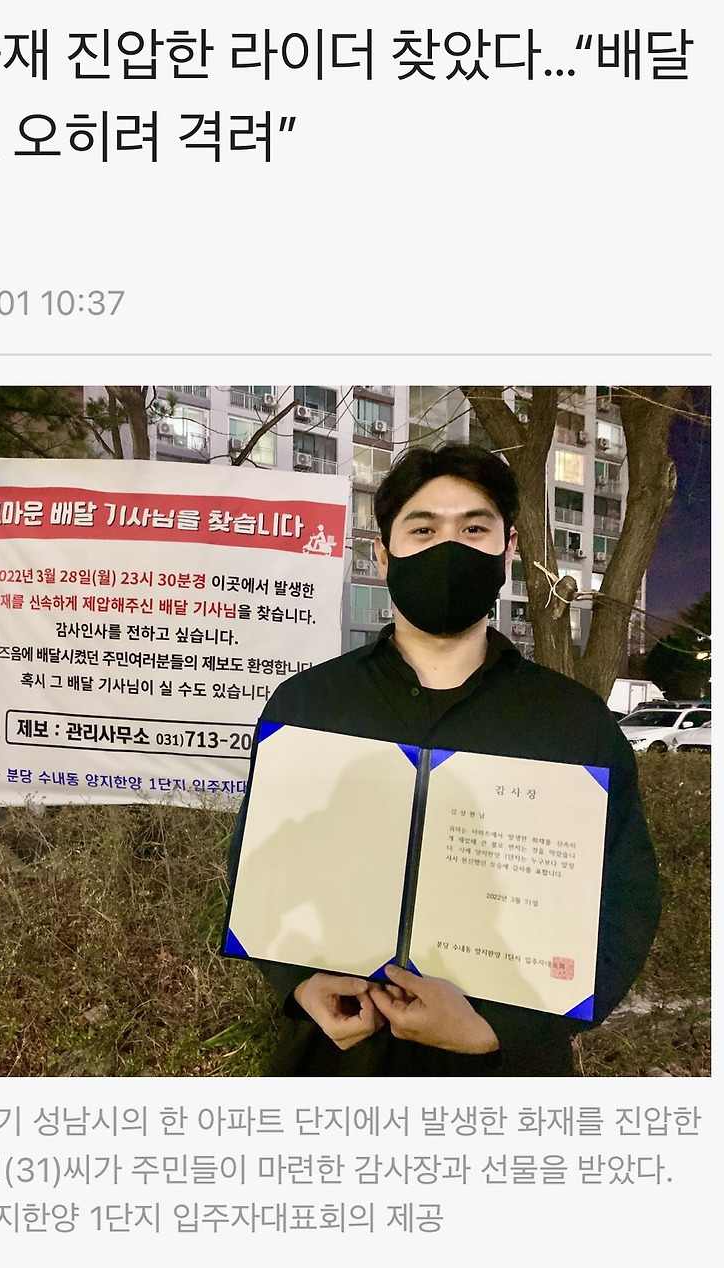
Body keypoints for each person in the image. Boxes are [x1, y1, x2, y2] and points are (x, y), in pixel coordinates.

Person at [228, 443, 660, 1076]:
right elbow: (259, 861)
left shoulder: (575, 724)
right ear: (384, 553)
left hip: (507, 1071)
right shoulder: (308, 705)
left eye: (474, 529)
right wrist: (297, 983)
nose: (448, 549)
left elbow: (626, 900)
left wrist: (499, 1032)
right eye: (424, 530)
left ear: (508, 552)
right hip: (335, 1060)